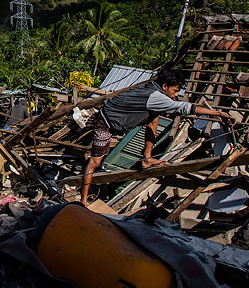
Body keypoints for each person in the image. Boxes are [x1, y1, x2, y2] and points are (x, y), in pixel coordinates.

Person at [80, 68, 233, 207]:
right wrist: (218, 114)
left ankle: (147, 158)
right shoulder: (155, 97)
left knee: (154, 117)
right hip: (106, 121)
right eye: (175, 90)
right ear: (165, 86)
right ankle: (83, 200)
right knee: (95, 161)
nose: (175, 95)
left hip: (119, 118)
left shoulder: (153, 86)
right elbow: (185, 108)